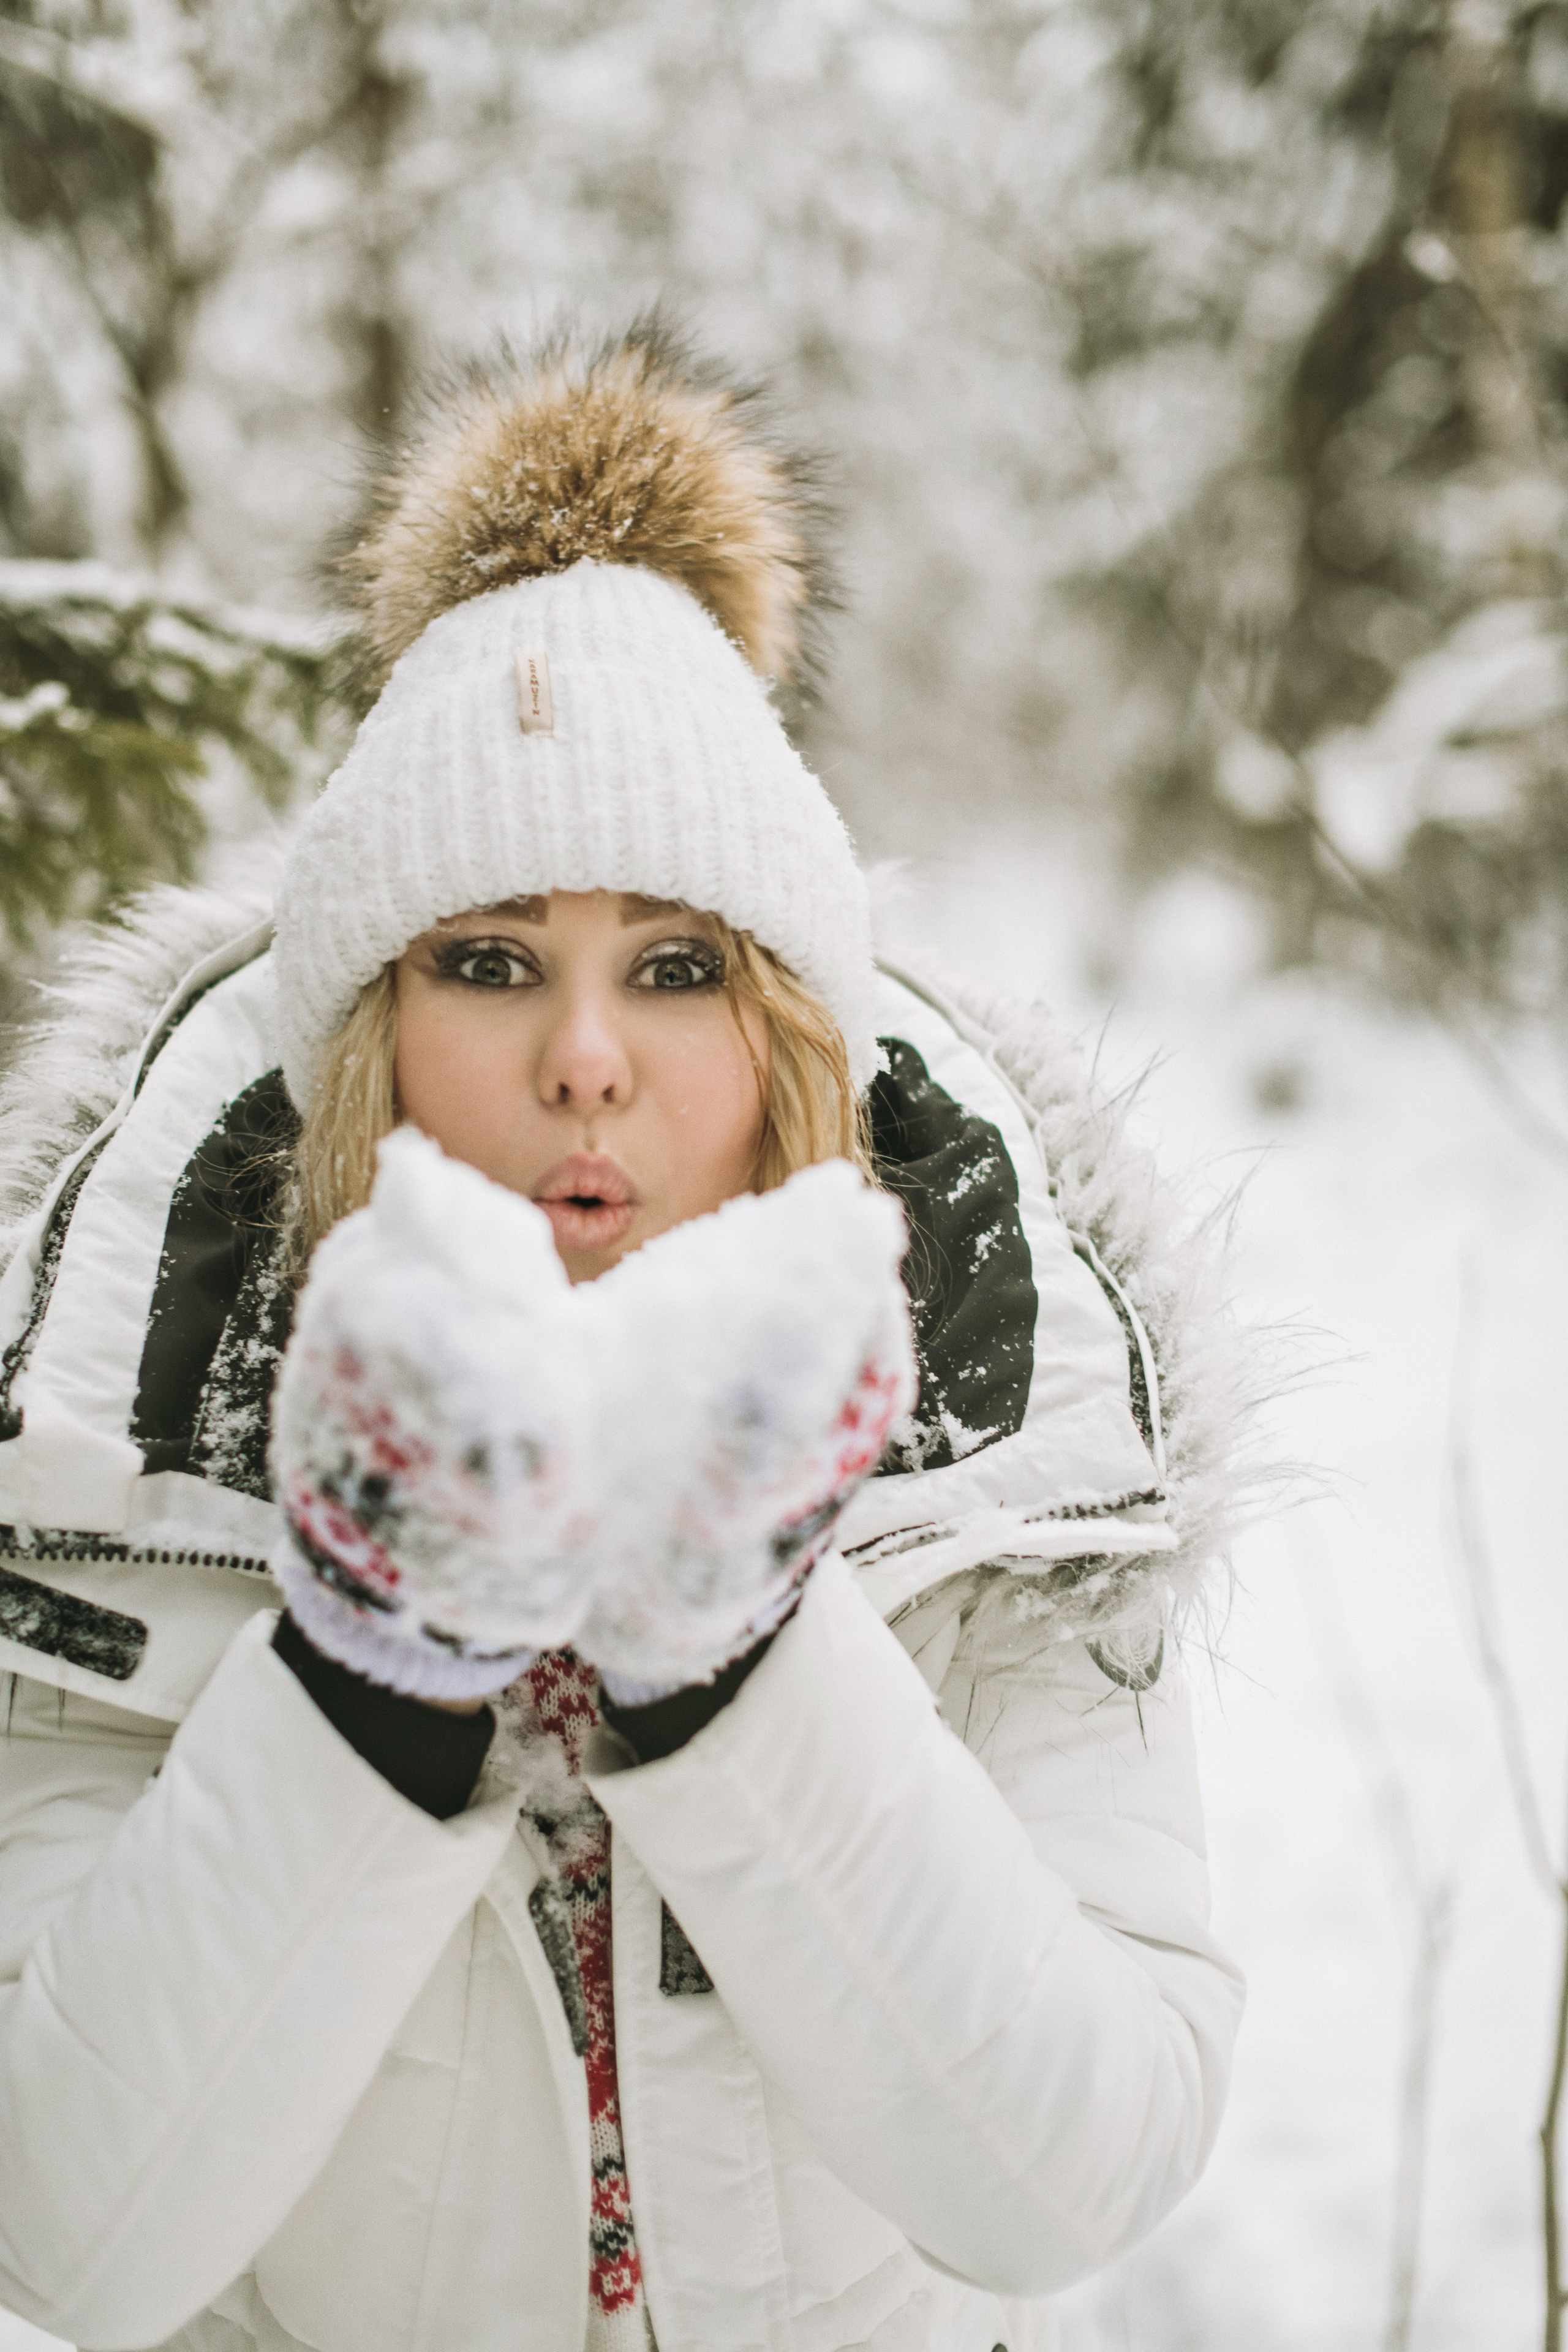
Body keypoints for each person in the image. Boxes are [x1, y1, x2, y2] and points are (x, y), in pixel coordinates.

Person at [0, 318, 1246, 2352]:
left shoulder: (1005, 1443)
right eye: (489, 961)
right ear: (368, 1044)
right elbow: (65, 2229)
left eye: (675, 967)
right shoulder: (120, 1450)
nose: (586, 1062)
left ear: (787, 1038)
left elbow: (1071, 2173)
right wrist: (375, 1671)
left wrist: (733, 1648)